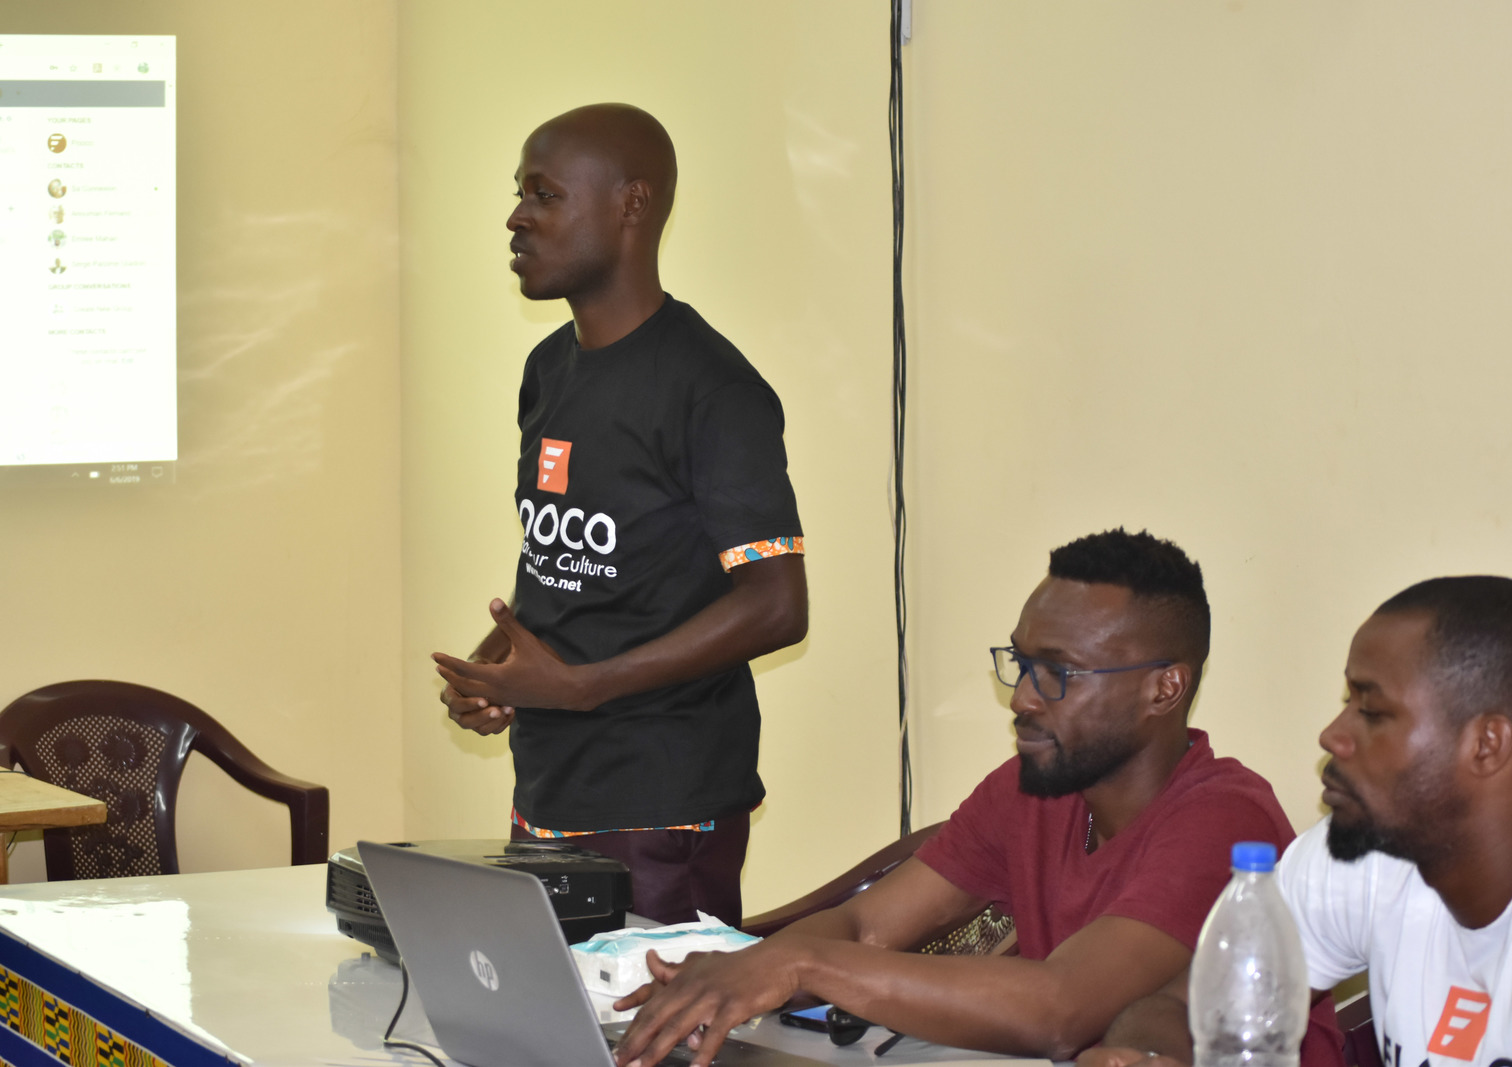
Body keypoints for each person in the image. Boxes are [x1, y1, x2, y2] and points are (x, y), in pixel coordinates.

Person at [611, 529, 1342, 1067]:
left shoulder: (1223, 821)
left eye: (1058, 672)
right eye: (1021, 662)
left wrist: (801, 965)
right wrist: (739, 974)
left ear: (1165, 688)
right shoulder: (1035, 785)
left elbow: (1061, 1009)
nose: (1022, 697)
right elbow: (868, 923)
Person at [432, 103, 807, 928]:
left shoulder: (712, 387)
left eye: (544, 194)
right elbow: (576, 563)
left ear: (631, 204)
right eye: (518, 193)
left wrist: (582, 687)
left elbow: (777, 604)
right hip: (549, 784)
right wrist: (502, 668)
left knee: (653, 1015)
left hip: (661, 802)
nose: (517, 217)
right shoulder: (548, 369)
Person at [1083, 576, 1512, 1067]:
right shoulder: (1368, 854)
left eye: (1371, 711)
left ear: (1486, 744)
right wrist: (1148, 1057)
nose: (1332, 735)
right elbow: (1176, 1009)